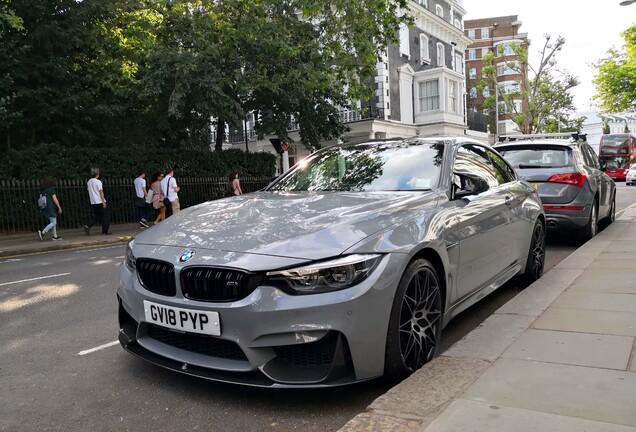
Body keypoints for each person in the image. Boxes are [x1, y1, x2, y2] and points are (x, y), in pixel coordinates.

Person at [84, 167, 111, 235]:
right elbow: (101, 192)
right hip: (99, 201)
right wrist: (104, 202)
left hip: (93, 201)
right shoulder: (98, 181)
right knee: (106, 216)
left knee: (97, 215)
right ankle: (105, 231)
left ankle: (88, 225)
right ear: (97, 174)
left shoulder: (89, 182)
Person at [37, 176, 63, 241]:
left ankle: (55, 236)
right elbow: (55, 199)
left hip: (45, 208)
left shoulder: (44, 191)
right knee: (54, 223)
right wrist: (59, 207)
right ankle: (43, 232)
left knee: (52, 221)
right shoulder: (51, 190)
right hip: (51, 208)